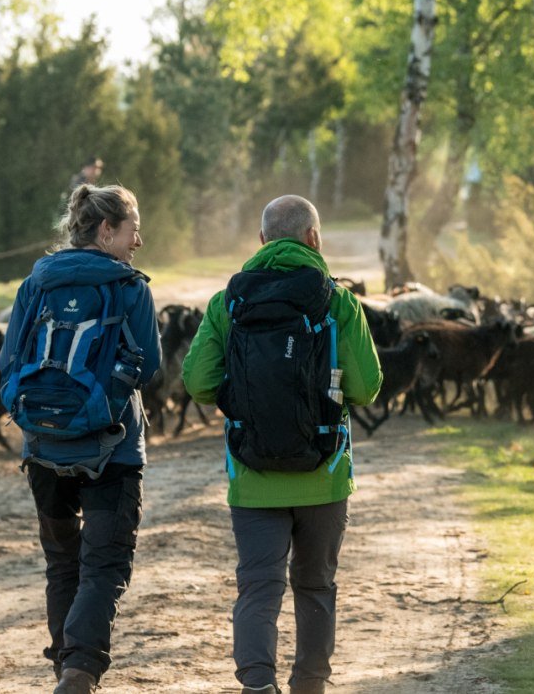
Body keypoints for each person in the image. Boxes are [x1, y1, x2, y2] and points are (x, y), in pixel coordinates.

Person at [183, 195, 383, 694]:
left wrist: (240, 400)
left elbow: (198, 382)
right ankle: (309, 684)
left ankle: (256, 683)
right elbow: (366, 387)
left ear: (262, 241)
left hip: (252, 476)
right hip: (325, 472)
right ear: (314, 238)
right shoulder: (338, 301)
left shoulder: (229, 300)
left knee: (258, 586)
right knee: (315, 586)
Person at [1, 184, 160, 694]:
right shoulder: (130, 286)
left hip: (43, 449)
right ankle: (79, 670)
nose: (138, 241)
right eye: (133, 229)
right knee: (104, 565)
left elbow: (9, 361)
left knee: (61, 561)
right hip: (112, 450)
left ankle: (65, 667)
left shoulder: (36, 283)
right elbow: (150, 367)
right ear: (107, 229)